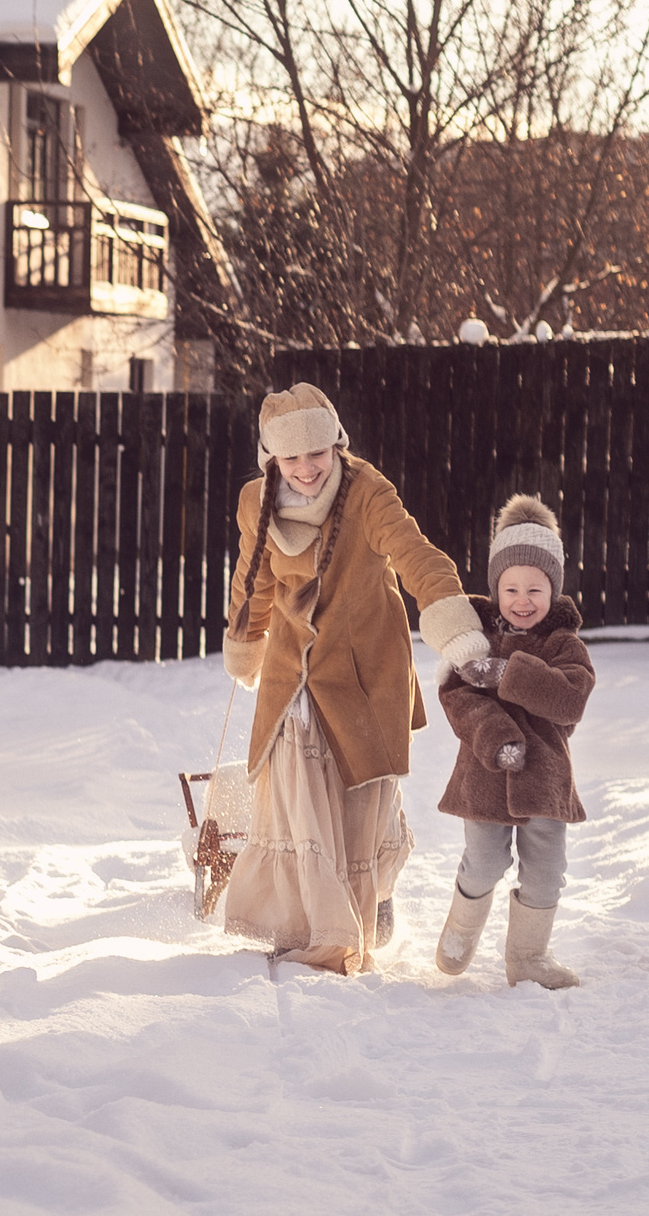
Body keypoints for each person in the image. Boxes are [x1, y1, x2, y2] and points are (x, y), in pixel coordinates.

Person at [221, 384, 490, 974]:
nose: (306, 468)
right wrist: (247, 640)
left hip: (366, 664)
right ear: (272, 459)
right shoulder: (256, 501)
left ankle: (374, 891)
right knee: (297, 788)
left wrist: (453, 625)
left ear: (336, 444)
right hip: (295, 663)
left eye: (317, 452)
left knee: (359, 790)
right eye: (291, 457)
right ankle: (313, 922)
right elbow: (254, 578)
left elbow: (417, 555)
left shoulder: (367, 491)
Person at [433, 494, 596, 989]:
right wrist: (497, 734)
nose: (522, 601)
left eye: (535, 589)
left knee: (547, 871)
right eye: (511, 589)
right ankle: (459, 933)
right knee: (484, 863)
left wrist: (507, 673)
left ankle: (528, 957)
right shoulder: (475, 639)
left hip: (544, 780)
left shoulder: (565, 645)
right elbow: (457, 698)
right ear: (496, 588)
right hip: (484, 777)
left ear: (554, 589)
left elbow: (569, 699)